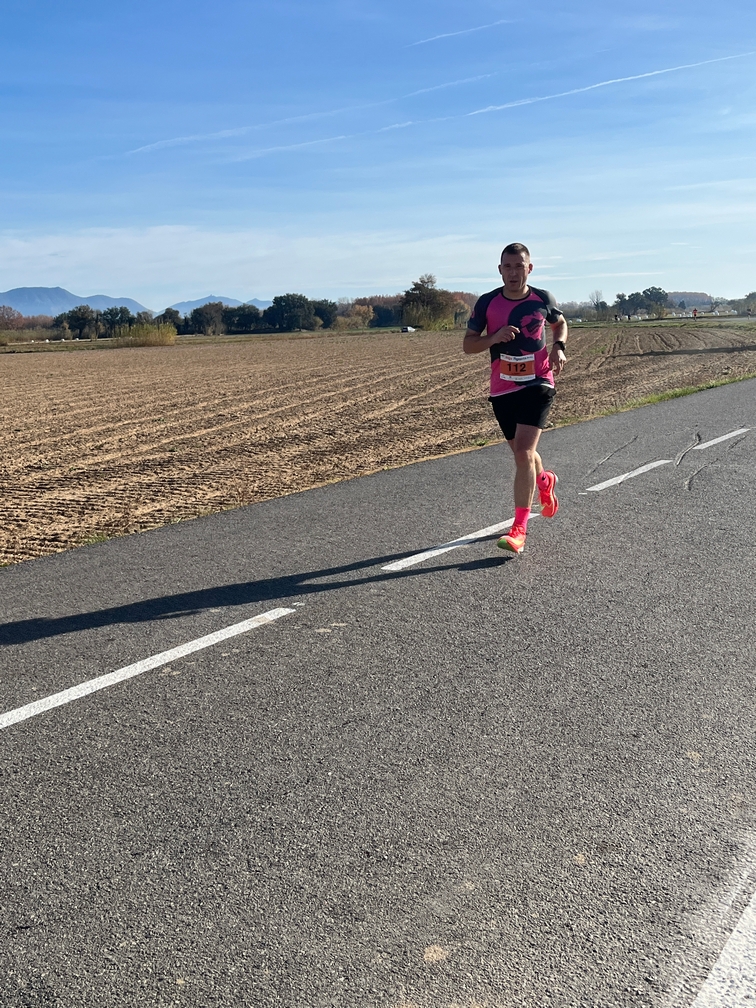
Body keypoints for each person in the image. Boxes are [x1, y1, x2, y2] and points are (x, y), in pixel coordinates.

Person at [463, 243, 568, 554]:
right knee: (526, 456)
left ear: (529, 269)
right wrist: (493, 338)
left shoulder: (543, 298)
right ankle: (545, 481)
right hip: (503, 388)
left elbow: (559, 323)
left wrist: (558, 346)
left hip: (538, 382)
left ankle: (519, 529)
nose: (513, 272)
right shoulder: (487, 303)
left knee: (523, 454)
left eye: (519, 266)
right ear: (500, 270)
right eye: (507, 267)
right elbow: (468, 345)